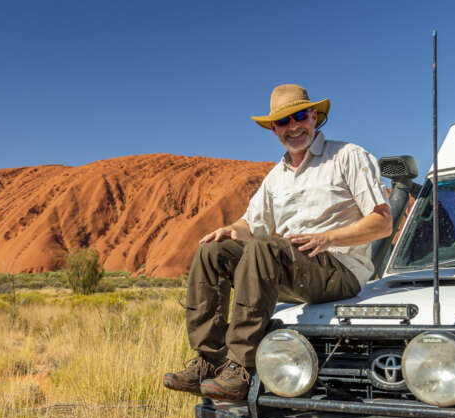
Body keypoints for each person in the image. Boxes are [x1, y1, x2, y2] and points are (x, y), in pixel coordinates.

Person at [163, 84, 392, 401]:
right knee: (212, 251)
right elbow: (250, 224)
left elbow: (382, 221)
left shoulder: (347, 156)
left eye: (299, 116)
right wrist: (229, 229)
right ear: (274, 128)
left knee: (264, 247)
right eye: (283, 122)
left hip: (340, 270)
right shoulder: (277, 177)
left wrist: (327, 238)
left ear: (313, 116)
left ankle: (241, 368)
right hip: (289, 267)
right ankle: (209, 360)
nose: (293, 127)